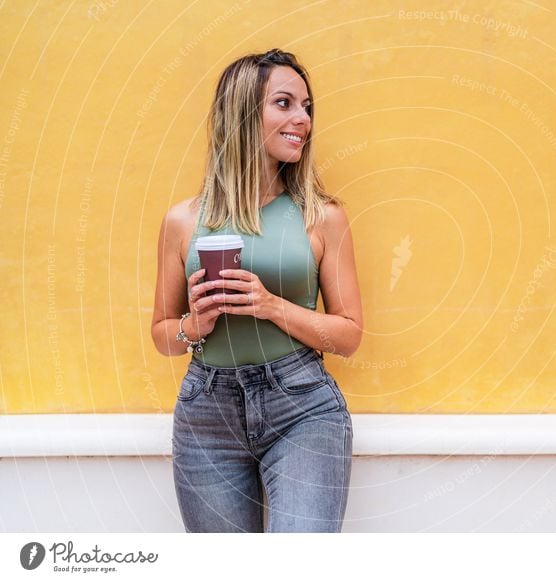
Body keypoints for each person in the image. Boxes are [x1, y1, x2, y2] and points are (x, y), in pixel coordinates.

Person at [150, 49, 363, 533]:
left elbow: (349, 335)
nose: (302, 120)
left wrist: (270, 306)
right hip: (208, 410)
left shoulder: (322, 217)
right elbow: (163, 336)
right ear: (244, 114)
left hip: (302, 406)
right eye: (284, 103)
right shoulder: (182, 221)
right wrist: (195, 325)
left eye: (307, 107)